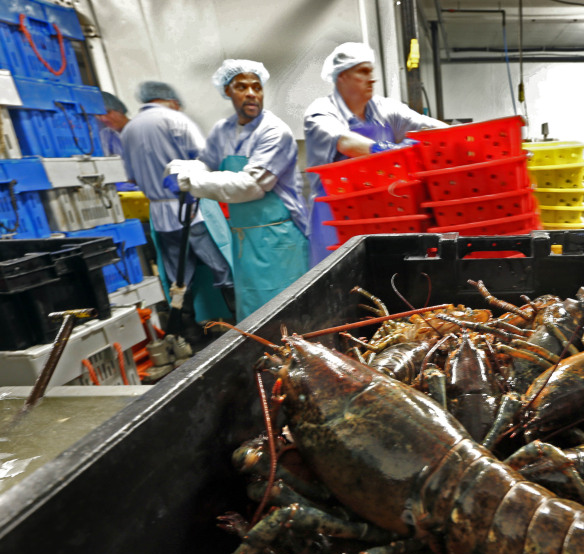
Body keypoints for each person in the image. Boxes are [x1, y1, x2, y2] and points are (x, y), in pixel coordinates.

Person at [165, 59, 310, 322]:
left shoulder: (275, 132)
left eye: (257, 87)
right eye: (242, 87)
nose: (252, 92)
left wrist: (190, 182)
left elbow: (251, 187)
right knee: (255, 312)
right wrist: (180, 167)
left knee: (287, 311)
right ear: (228, 91)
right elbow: (206, 163)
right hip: (245, 240)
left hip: (278, 240)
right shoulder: (223, 130)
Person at [304, 42, 447, 265]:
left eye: (371, 71)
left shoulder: (383, 108)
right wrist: (386, 150)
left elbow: (427, 126)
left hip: (384, 212)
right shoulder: (320, 112)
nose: (372, 78)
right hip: (335, 219)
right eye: (363, 72)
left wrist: (456, 136)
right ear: (341, 76)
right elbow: (344, 142)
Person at [120, 81, 234, 335]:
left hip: (160, 214)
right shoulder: (175, 119)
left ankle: (188, 331)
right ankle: (239, 320)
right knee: (221, 266)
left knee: (179, 277)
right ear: (172, 101)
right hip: (191, 208)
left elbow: (131, 177)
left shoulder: (129, 130)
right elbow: (206, 160)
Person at [96, 91, 128, 157]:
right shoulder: (105, 135)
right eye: (99, 115)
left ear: (120, 109)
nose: (103, 119)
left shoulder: (141, 129)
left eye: (107, 112)